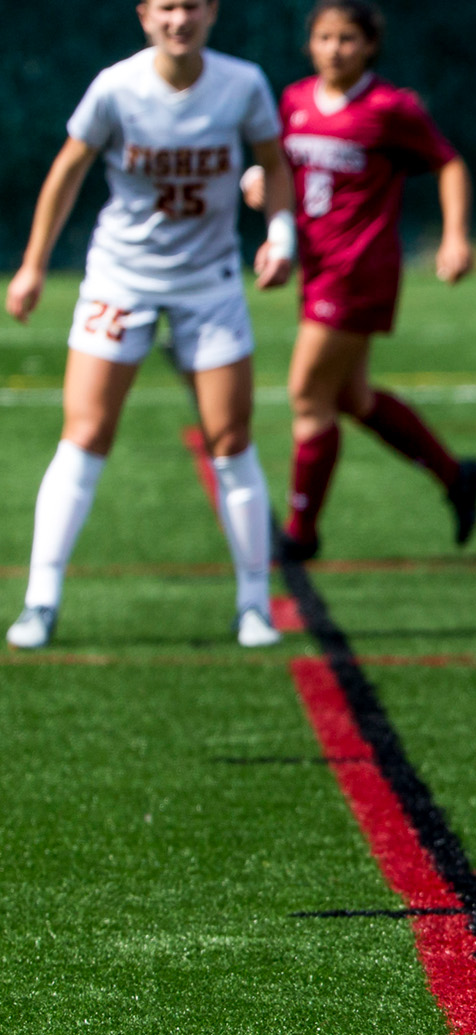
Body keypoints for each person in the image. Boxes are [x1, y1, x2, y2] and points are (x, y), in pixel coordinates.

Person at [5, 0, 291, 650]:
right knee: (85, 432)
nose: (179, 19)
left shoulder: (242, 83)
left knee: (230, 437)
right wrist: (31, 266)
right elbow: (67, 170)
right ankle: (40, 600)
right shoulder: (116, 86)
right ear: (144, 15)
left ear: (211, 12)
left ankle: (254, 605)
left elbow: (274, 165)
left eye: (191, 5)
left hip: (209, 279)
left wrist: (281, 236)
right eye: (166, 6)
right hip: (120, 277)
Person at [241, 0, 476, 562]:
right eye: (324, 37)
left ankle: (301, 533)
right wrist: (260, 182)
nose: (334, 48)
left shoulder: (390, 108)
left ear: (370, 45)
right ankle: (455, 476)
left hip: (359, 271)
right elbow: (283, 168)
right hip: (317, 268)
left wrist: (455, 236)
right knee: (350, 397)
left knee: (307, 395)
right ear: (310, 44)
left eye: (348, 38)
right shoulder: (295, 100)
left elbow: (449, 163)